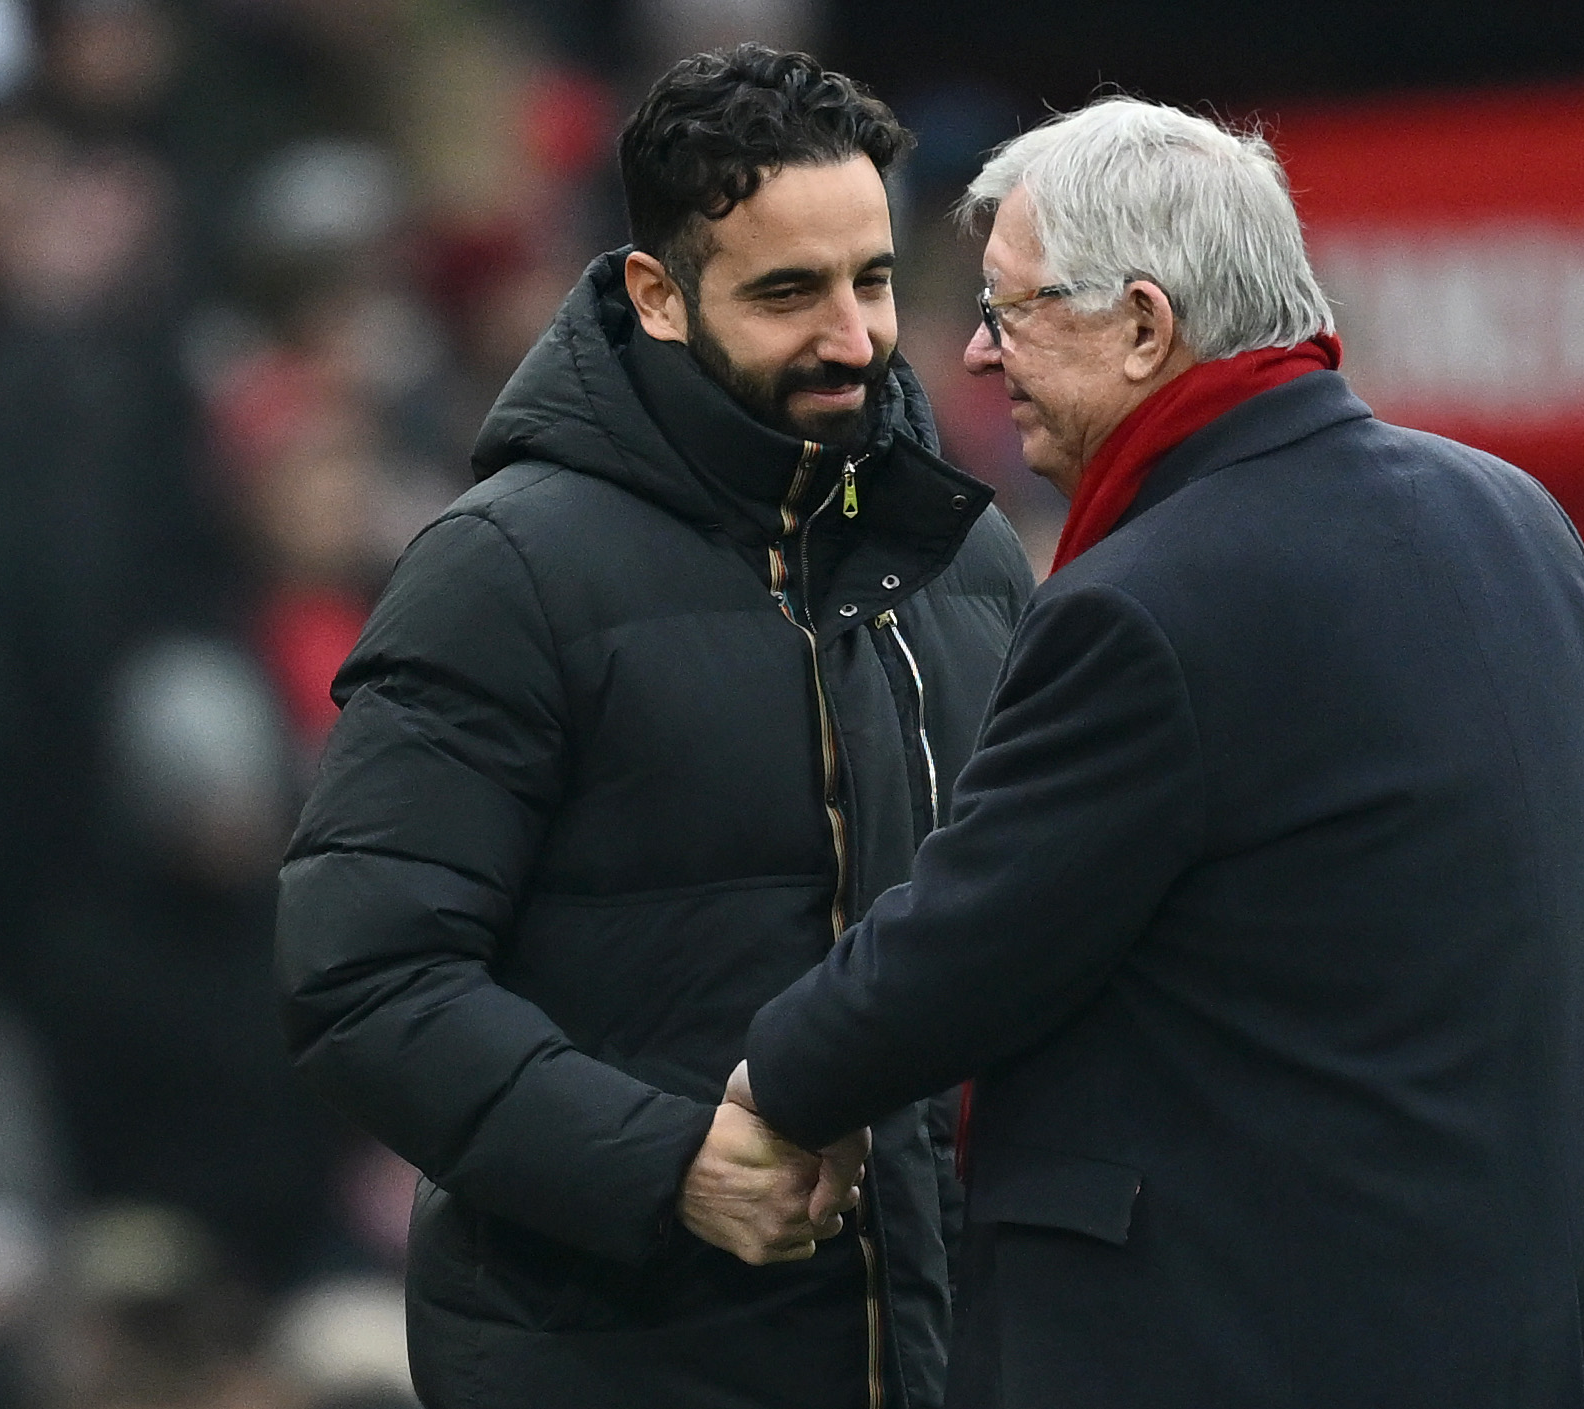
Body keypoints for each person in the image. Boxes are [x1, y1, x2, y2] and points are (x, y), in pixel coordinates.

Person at [732, 98, 1584, 1408]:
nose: (976, 353)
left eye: (1008, 311)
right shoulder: (1518, 518)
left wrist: (769, 1083)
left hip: (1265, 1344)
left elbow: (966, 947)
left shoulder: (1145, 600)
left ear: (1140, 326)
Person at [274, 45, 1034, 1409]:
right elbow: (361, 974)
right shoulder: (503, 572)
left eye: (869, 279)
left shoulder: (969, 559)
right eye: (787, 292)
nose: (853, 337)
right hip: (613, 1359)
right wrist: (662, 1159)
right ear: (655, 294)